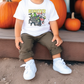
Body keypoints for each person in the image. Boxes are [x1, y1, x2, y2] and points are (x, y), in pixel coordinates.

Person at [14, 0, 72, 80]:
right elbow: (19, 22)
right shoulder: (23, 3)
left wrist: (56, 35)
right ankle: (30, 64)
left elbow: (53, 21)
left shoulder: (49, 4)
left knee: (54, 42)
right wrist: (17, 37)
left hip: (44, 33)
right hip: (27, 33)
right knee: (23, 44)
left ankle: (57, 62)